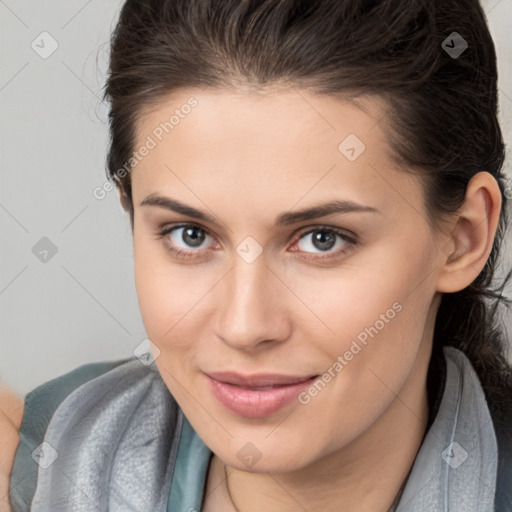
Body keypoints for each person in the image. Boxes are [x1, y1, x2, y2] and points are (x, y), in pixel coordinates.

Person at [2, 0, 512, 510]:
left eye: (322, 239)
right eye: (190, 235)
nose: (245, 327)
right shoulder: (31, 466)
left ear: (462, 237)